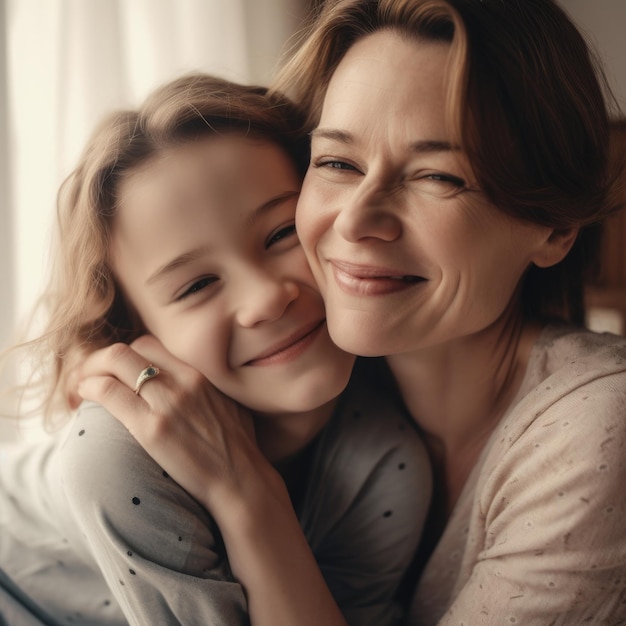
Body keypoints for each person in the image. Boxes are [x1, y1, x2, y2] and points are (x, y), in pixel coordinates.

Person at [72, 0, 626, 624]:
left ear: (553, 227)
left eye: (438, 176)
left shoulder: (598, 430)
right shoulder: (308, 375)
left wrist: (247, 495)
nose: (356, 220)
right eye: (337, 163)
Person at [0, 73, 432, 626]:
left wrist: (244, 492)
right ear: (135, 331)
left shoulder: (381, 459)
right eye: (196, 286)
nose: (266, 300)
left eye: (280, 235)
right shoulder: (114, 455)